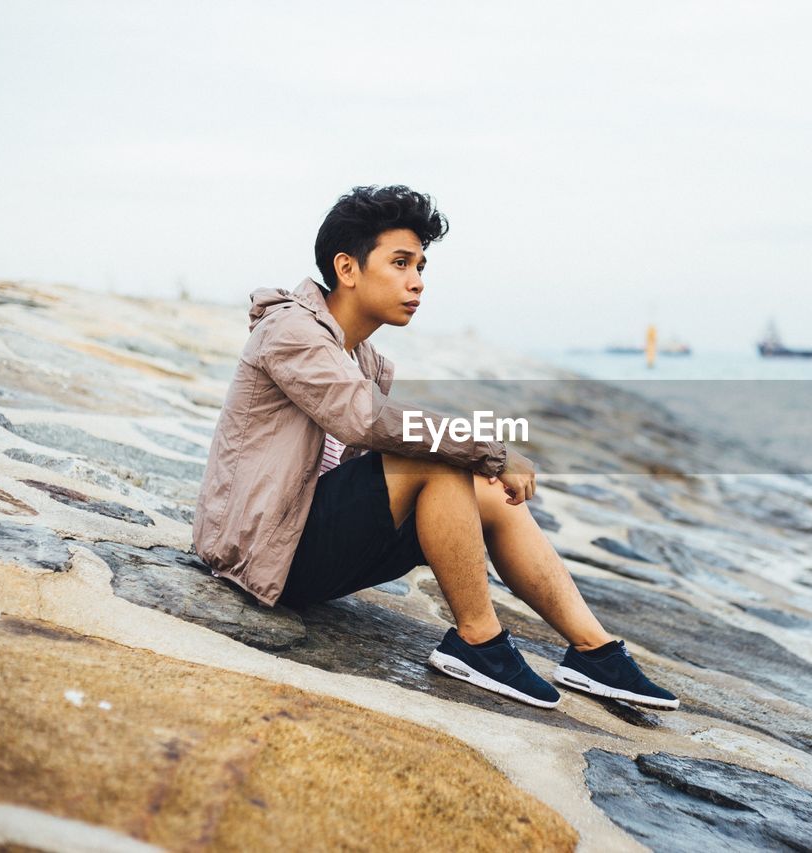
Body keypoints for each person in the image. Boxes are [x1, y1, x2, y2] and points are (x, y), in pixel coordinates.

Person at [192, 185, 678, 710]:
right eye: (400, 263)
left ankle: (593, 651)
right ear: (347, 268)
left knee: (484, 489)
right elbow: (364, 422)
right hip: (260, 551)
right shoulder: (289, 329)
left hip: (310, 548)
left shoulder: (367, 360)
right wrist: (493, 448)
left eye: (421, 266)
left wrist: (482, 464)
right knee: (437, 458)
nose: (417, 282)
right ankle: (478, 642)